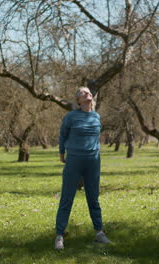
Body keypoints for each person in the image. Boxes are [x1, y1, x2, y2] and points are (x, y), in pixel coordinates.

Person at [54, 87, 111, 250]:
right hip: (74, 160)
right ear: (78, 101)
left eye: (88, 92)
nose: (87, 94)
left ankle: (99, 233)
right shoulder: (71, 116)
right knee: (67, 197)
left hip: (93, 161)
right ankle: (59, 235)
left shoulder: (96, 116)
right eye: (82, 92)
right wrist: (61, 153)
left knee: (93, 198)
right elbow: (63, 135)